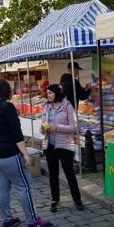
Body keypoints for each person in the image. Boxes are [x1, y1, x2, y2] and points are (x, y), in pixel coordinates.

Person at [0, 78, 53, 227]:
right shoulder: (7, 107)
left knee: (1, 188)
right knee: (24, 187)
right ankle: (32, 221)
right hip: (9, 154)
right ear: (6, 91)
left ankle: (7, 220)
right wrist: (26, 154)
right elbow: (16, 135)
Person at [41, 84, 84, 213]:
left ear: (57, 93)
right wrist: (43, 128)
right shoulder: (46, 107)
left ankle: (77, 200)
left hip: (65, 145)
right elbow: (43, 124)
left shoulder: (67, 106)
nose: (48, 95)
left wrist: (56, 127)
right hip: (50, 144)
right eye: (47, 93)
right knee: (53, 174)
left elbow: (74, 127)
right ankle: (55, 200)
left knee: (69, 173)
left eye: (51, 93)